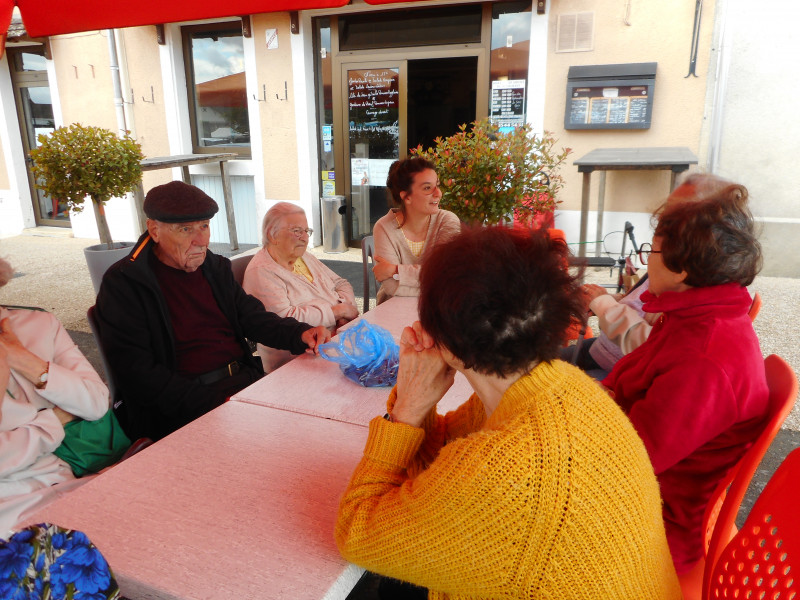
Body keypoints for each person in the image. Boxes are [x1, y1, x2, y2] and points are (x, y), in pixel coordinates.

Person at [336, 226, 681, 599]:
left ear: (442, 333)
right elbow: (438, 468)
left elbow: (358, 532)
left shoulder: (504, 465)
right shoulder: (558, 384)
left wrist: (405, 412)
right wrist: (417, 403)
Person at [602, 173, 769, 576]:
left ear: (680, 267)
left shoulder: (705, 359)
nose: (645, 263)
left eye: (650, 251)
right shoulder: (696, 317)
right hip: (638, 494)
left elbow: (626, 465)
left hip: (648, 529)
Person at [94, 181, 331, 442]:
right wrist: (218, 404)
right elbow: (139, 374)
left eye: (204, 226)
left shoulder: (214, 267)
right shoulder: (125, 283)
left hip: (242, 383)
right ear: (155, 230)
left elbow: (251, 317)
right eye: (185, 229)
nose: (201, 240)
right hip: (180, 410)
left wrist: (299, 333)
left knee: (319, 421)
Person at [0, 257, 109, 538]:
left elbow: (97, 402)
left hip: (66, 479)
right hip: (10, 508)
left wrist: (26, 361)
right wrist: (53, 422)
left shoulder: (37, 323)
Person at [243, 202, 358, 373]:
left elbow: (341, 283)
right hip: (296, 361)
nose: (305, 237)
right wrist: (338, 312)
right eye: (297, 231)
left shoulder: (305, 257)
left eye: (306, 231)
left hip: (334, 344)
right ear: (272, 235)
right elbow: (285, 320)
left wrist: (345, 310)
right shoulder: (261, 271)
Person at [372, 157, 461, 304]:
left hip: (437, 308)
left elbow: (448, 277)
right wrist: (436, 282)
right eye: (427, 188)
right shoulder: (384, 228)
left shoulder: (447, 221)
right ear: (406, 196)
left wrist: (396, 270)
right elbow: (390, 286)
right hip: (393, 309)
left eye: (437, 185)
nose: (438, 193)